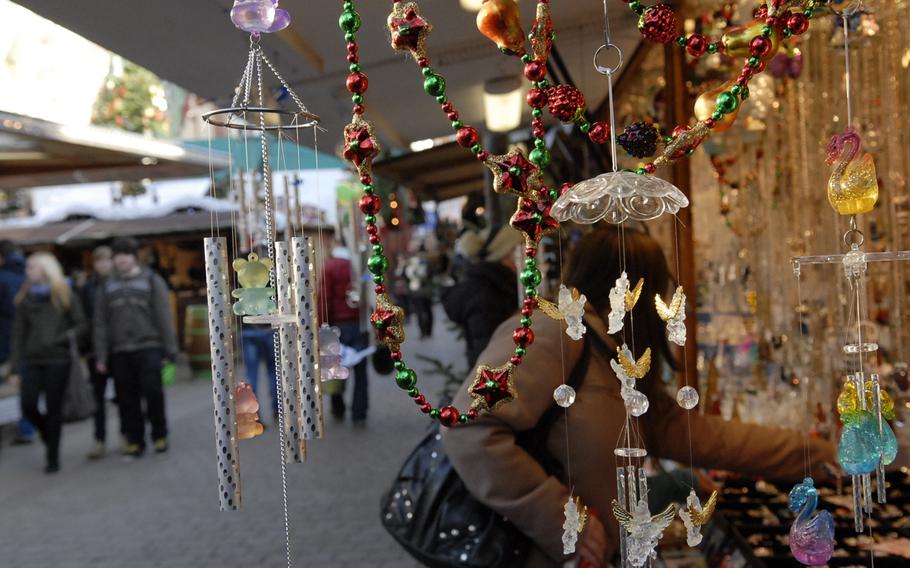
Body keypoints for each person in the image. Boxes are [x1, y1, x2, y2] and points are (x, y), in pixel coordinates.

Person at [442, 226, 836, 567]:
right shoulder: (556, 333)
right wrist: (560, 518)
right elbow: (468, 426)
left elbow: (697, 435)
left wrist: (821, 457)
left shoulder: (610, 355)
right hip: (528, 552)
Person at [94, 238, 177, 457]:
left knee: (153, 393)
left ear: (134, 257)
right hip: (120, 351)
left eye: (125, 255)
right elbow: (100, 322)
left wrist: (170, 349)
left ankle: (160, 435)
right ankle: (135, 440)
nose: (121, 260)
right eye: (117, 256)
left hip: (149, 346)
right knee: (126, 399)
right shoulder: (107, 285)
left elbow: (163, 317)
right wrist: (101, 355)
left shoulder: (151, 280)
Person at [9, 252, 86, 473]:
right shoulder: (25, 298)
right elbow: (18, 335)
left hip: (57, 360)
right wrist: (14, 368)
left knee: (54, 408)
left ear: (46, 269)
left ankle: (53, 457)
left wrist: (60, 339)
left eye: (31, 267)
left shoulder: (64, 293)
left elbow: (81, 324)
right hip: (32, 360)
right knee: (28, 405)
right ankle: (47, 434)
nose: (28, 272)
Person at [442, 225, 523, 369]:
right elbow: (489, 355)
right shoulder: (486, 293)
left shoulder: (500, 283)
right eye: (520, 251)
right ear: (506, 254)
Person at [320, 239, 368, 424]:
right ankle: (359, 412)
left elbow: (324, 299)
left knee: (336, 367)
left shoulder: (330, 267)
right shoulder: (360, 266)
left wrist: (324, 325)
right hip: (360, 324)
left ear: (335, 246)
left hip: (337, 326)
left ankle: (338, 407)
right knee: (361, 372)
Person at [79, 246, 118, 459]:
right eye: (99, 261)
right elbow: (85, 320)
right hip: (95, 350)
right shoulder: (87, 288)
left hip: (119, 348)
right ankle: (99, 440)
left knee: (124, 396)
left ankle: (126, 434)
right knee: (98, 398)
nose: (103, 264)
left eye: (106, 260)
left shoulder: (120, 283)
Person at [0, 240, 34, 445]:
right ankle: (27, 427)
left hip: (6, 341)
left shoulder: (3, 278)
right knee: (25, 385)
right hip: (29, 340)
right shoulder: (29, 274)